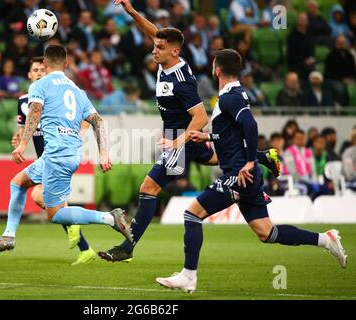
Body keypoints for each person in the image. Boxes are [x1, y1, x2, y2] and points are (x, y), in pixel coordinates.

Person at [98, 0, 281, 263]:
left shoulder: (181, 82)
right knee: (216, 158)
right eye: (154, 46)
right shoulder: (168, 59)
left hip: (179, 139)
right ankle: (263, 157)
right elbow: (156, 34)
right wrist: (133, 12)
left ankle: (127, 248)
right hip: (184, 139)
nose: (153, 50)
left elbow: (201, 117)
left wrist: (179, 141)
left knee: (148, 188)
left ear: (174, 52)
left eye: (159, 48)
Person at [156, 49, 347, 293]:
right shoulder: (232, 95)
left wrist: (247, 161)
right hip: (247, 173)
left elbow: (250, 124)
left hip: (239, 174)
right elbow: (231, 135)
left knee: (192, 215)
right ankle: (325, 239)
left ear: (217, 70)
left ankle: (188, 277)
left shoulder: (228, 98)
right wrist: (207, 135)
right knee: (267, 233)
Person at [0, 45, 133, 253]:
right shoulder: (77, 90)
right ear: (67, 64)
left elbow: (35, 111)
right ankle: (8, 235)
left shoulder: (40, 85)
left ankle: (109, 218)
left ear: (45, 64)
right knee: (18, 183)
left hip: (57, 156)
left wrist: (23, 143)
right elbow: (97, 121)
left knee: (55, 214)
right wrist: (104, 153)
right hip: (66, 153)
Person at [0, 56, 96, 265]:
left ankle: (73, 225)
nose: (40, 72)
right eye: (36, 70)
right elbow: (24, 128)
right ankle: (83, 244)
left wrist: (75, 136)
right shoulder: (25, 101)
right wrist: (19, 139)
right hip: (45, 158)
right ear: (29, 75)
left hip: (59, 155)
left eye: (43, 69)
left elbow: (86, 119)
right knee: (39, 197)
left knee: (35, 194)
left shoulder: (56, 94)